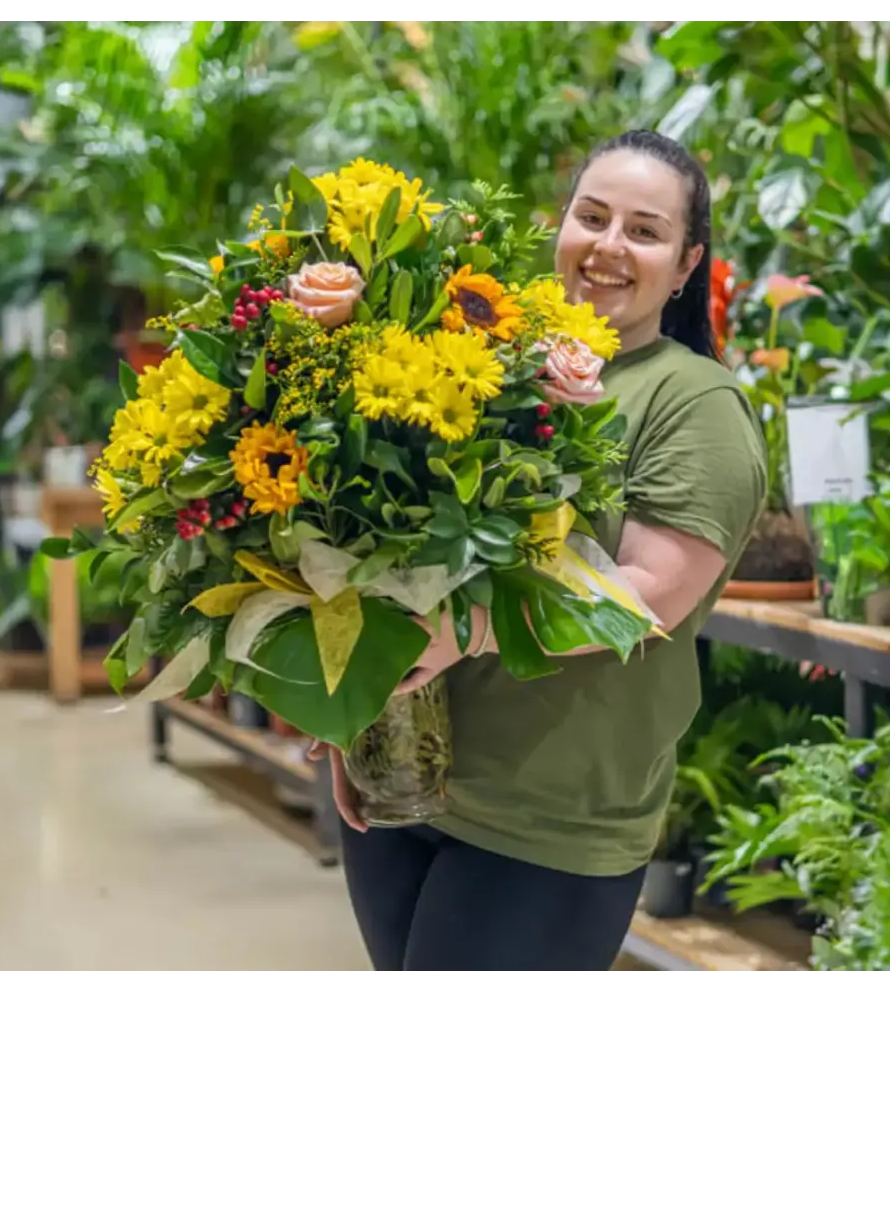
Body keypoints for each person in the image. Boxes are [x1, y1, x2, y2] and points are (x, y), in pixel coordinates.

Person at [312, 129, 767, 976]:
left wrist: (468, 633)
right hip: (406, 783)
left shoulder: (693, 402)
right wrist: (354, 718)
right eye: (592, 217)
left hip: (548, 824)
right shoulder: (490, 360)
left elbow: (647, 596)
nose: (609, 246)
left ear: (685, 264)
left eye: (644, 231)